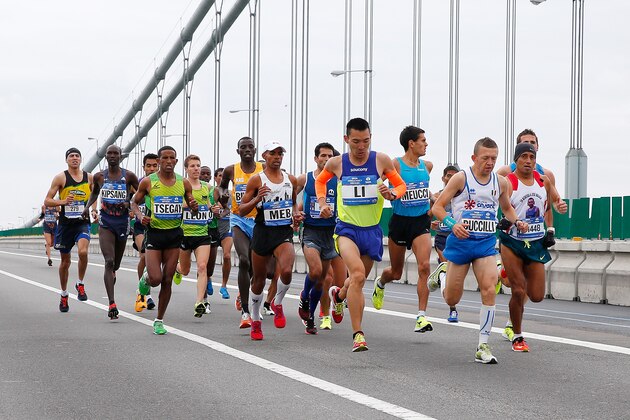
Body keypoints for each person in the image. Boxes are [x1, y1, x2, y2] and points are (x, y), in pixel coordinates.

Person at [432, 137, 527, 364]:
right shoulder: (460, 178)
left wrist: (517, 222)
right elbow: (437, 207)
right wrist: (452, 225)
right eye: (485, 158)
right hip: (460, 243)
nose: (490, 162)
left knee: (489, 289)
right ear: (474, 158)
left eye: (494, 158)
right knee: (452, 298)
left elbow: (507, 208)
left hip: (484, 244)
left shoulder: (500, 183)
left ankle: (483, 345)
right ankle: (443, 274)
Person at [315, 118, 407, 352]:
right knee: (356, 274)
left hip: (372, 231)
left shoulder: (381, 160)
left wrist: (392, 194)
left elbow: (401, 185)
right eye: (356, 141)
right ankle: (358, 334)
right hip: (346, 229)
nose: (361, 146)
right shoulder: (337, 163)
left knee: (356, 280)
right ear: (346, 139)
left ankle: (339, 295)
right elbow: (320, 181)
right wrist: (323, 203)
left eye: (366, 141)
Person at [499, 142, 567, 351]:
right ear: (516, 160)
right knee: (518, 291)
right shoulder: (508, 182)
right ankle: (517, 336)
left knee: (536, 295)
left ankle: (504, 274)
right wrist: (508, 221)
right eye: (524, 157)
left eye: (532, 157)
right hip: (512, 241)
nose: (528, 161)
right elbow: (499, 205)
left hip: (535, 242)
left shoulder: (543, 181)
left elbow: (555, 200)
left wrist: (560, 205)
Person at [372, 126, 434, 334]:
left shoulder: (427, 166)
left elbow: (424, 190)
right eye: (423, 140)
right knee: (396, 272)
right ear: (411, 143)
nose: (426, 144)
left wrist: (434, 200)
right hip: (399, 222)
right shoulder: (396, 164)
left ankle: (421, 317)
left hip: (420, 222)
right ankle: (380, 283)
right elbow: (378, 180)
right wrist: (387, 192)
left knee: (424, 266)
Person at [239, 141, 302, 340]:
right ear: (265, 156)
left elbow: (293, 204)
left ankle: (277, 302)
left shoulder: (290, 179)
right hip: (262, 233)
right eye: (273, 153)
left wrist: (296, 215)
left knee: (285, 271)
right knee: (258, 281)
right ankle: (256, 320)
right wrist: (257, 199)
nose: (277, 157)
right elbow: (241, 209)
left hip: (283, 232)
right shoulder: (257, 180)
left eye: (280, 153)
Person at [132, 146, 198, 335]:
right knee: (155, 280)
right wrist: (139, 216)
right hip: (154, 234)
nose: (169, 161)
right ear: (159, 161)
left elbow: (192, 205)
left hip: (174, 234)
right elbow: (134, 202)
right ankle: (145, 278)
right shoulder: (148, 182)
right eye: (165, 158)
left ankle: (159, 320)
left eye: (172, 158)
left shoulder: (183, 183)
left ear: (176, 162)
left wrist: (193, 206)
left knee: (167, 280)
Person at [83, 145, 139, 320]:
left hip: (122, 224)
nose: (113, 156)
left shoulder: (128, 176)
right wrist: (86, 208)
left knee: (115, 266)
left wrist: (128, 202)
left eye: (116, 153)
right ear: (105, 157)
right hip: (106, 223)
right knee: (108, 261)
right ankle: (112, 303)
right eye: (110, 153)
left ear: (121, 156)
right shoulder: (100, 176)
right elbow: (94, 194)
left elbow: (141, 194)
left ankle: (112, 274)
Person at [217, 137, 264, 328]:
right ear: (238, 151)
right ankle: (245, 312)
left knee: (257, 268)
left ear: (255, 150)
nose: (247, 150)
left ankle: (247, 296)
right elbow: (222, 186)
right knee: (244, 260)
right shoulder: (231, 170)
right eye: (243, 147)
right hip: (238, 219)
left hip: (260, 222)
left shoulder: (263, 169)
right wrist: (222, 194)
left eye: (250, 147)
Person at [295, 142, 339, 334]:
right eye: (323, 156)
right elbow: (290, 196)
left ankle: (310, 317)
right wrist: (295, 212)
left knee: (322, 281)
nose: (326, 159)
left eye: (330, 156)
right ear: (316, 158)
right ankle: (304, 297)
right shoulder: (306, 178)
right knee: (315, 270)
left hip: (330, 233)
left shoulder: (339, 180)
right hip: (311, 231)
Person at [44, 148, 95, 312]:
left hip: (82, 222)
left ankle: (80, 284)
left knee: (83, 252)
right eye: (71, 156)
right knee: (65, 262)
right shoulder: (60, 177)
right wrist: (63, 201)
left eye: (77, 156)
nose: (74, 158)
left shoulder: (89, 177)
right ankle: (64, 294)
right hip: (65, 225)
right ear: (66, 160)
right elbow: (47, 200)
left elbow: (95, 194)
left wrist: (93, 209)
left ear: (81, 159)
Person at [172, 156, 221, 317]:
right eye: (192, 166)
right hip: (184, 235)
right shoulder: (180, 186)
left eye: (198, 166)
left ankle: (199, 302)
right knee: (185, 270)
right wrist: (187, 205)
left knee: (202, 267)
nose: (196, 169)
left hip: (202, 234)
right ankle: (176, 269)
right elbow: (174, 206)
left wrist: (213, 209)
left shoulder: (207, 187)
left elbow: (208, 207)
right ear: (186, 169)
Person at [497, 128, 558, 245]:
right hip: (512, 235)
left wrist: (550, 230)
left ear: (537, 146)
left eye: (532, 143)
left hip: (536, 236)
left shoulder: (546, 175)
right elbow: (490, 196)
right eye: (525, 143)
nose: (530, 145)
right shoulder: (505, 173)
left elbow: (552, 203)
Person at [429, 165, 460, 322]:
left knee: (453, 276)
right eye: (448, 175)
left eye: (455, 176)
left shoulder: (463, 197)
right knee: (448, 270)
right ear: (443, 178)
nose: (451, 178)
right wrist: (431, 224)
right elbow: (426, 217)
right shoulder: (437, 197)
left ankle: (439, 275)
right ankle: (453, 310)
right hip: (442, 238)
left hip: (459, 239)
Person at [133, 153, 158, 312]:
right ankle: (144, 295)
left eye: (154, 165)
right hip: (140, 226)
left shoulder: (165, 183)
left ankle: (143, 287)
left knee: (155, 263)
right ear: (144, 167)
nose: (151, 168)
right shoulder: (139, 183)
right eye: (148, 166)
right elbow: (131, 202)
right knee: (143, 254)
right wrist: (137, 214)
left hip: (158, 226)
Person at [203, 166, 232, 300]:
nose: (221, 178)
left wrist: (226, 210)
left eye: (223, 176)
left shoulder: (232, 195)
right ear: (215, 178)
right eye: (219, 175)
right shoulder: (211, 193)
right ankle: (208, 278)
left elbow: (235, 210)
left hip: (226, 230)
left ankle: (224, 286)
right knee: (209, 262)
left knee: (227, 256)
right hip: (212, 229)